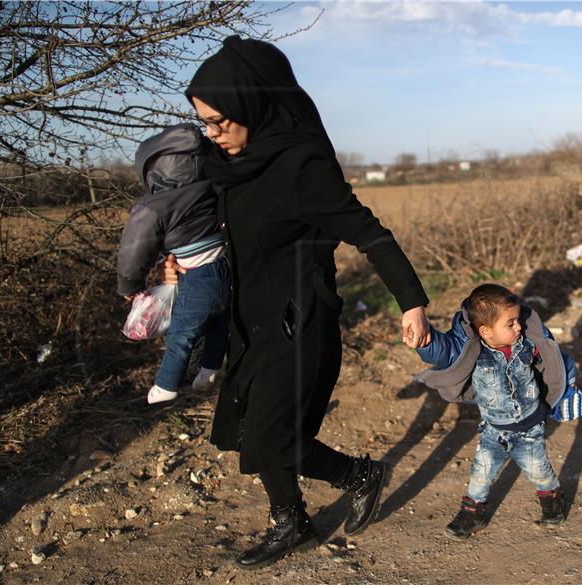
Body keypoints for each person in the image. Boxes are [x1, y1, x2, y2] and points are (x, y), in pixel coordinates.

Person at [169, 36, 430, 570]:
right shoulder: (228, 171)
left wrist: (412, 302)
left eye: (220, 121)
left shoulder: (302, 166)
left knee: (274, 435)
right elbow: (219, 239)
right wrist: (180, 263)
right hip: (249, 323)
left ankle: (359, 476)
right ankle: (291, 522)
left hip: (298, 322)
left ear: (253, 106)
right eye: (204, 123)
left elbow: (371, 235)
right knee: (248, 430)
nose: (212, 134)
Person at [415, 283, 571, 539]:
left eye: (518, 320)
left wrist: (566, 389)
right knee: (481, 474)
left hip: (529, 426)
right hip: (493, 430)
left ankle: (552, 498)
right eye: (510, 324)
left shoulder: (527, 345)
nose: (518, 326)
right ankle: (473, 513)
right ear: (486, 331)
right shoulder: (473, 352)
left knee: (538, 469)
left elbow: (555, 362)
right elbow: (442, 351)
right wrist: (424, 340)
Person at [117, 124, 231, 404]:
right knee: (219, 323)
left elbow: (135, 247)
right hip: (225, 273)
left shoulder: (154, 206)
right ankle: (210, 369)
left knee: (182, 332)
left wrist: (129, 284)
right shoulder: (214, 188)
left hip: (197, 278)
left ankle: (166, 384)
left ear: (152, 168)